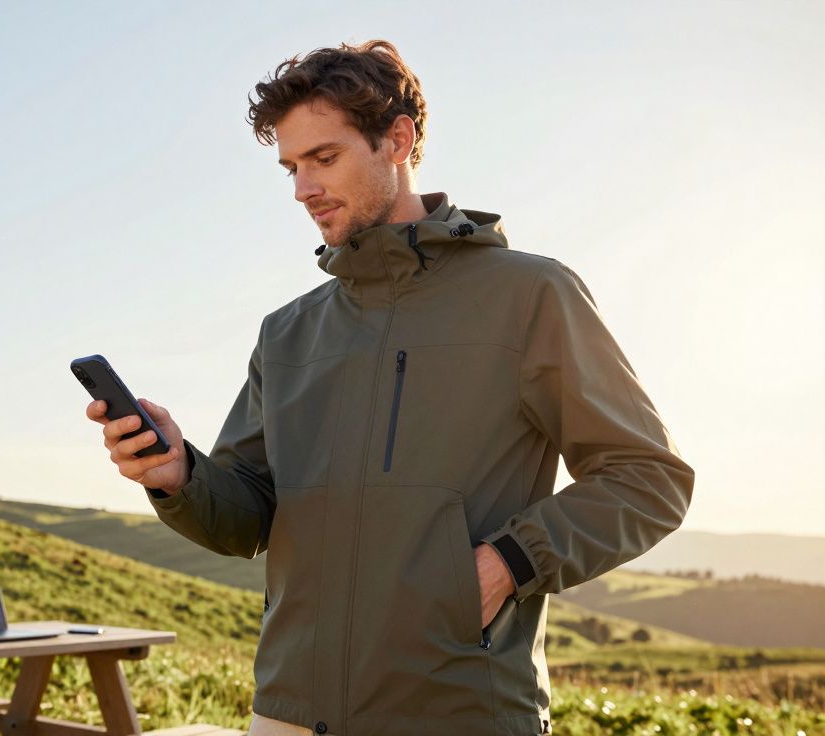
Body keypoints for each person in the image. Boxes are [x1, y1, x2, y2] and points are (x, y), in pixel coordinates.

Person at [85, 40, 694, 736]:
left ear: (396, 141)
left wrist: (509, 561)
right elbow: (249, 516)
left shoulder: (529, 295)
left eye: (324, 158)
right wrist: (179, 473)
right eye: (290, 167)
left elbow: (648, 478)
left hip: (456, 711)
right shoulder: (288, 333)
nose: (302, 188)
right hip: (288, 711)